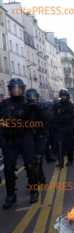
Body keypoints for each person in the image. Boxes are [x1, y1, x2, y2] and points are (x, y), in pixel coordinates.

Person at [0, 78, 39, 209]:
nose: (16, 91)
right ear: (10, 90)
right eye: (13, 88)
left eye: (18, 88)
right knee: (8, 168)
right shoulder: (4, 104)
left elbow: (38, 120)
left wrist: (36, 108)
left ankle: (34, 190)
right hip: (10, 139)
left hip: (25, 137)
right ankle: (11, 195)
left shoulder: (28, 104)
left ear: (22, 89)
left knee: (30, 165)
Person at [25, 89, 47, 184]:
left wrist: (38, 108)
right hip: (28, 137)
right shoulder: (25, 108)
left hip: (40, 136)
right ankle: (33, 180)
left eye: (34, 98)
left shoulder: (41, 107)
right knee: (30, 161)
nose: (33, 100)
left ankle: (40, 177)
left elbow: (47, 119)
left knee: (38, 159)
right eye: (31, 98)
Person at [53, 89, 74, 168]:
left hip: (69, 128)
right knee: (59, 146)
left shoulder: (70, 105)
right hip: (60, 128)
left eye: (64, 95)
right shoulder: (57, 105)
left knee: (69, 146)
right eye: (62, 96)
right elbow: (54, 115)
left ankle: (70, 160)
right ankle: (60, 162)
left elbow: (73, 117)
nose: (63, 97)